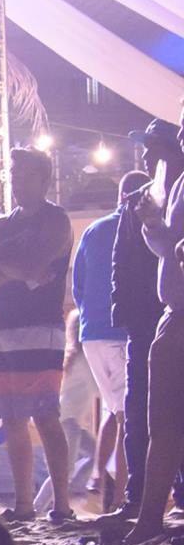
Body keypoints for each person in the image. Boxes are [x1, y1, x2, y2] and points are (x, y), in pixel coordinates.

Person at [0, 148, 75, 522]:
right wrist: (22, 272)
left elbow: (32, 264)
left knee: (45, 416)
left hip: (41, 327)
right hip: (1, 327)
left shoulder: (56, 219)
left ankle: (62, 504)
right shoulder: (1, 224)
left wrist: (13, 268)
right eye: (13, 172)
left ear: (43, 178)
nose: (15, 179)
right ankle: (23, 504)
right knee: (12, 418)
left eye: (23, 173)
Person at [112, 132, 171, 523]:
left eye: (156, 147)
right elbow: (121, 261)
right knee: (138, 412)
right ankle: (137, 497)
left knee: (166, 413)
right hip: (145, 321)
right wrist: (125, 312)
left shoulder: (174, 195)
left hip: (170, 313)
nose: (147, 156)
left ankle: (175, 497)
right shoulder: (138, 202)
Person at [74, 174, 135, 512]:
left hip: (92, 333)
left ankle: (102, 478)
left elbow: (77, 286)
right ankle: (124, 495)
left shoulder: (94, 230)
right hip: (123, 333)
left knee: (115, 409)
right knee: (129, 415)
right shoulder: (137, 229)